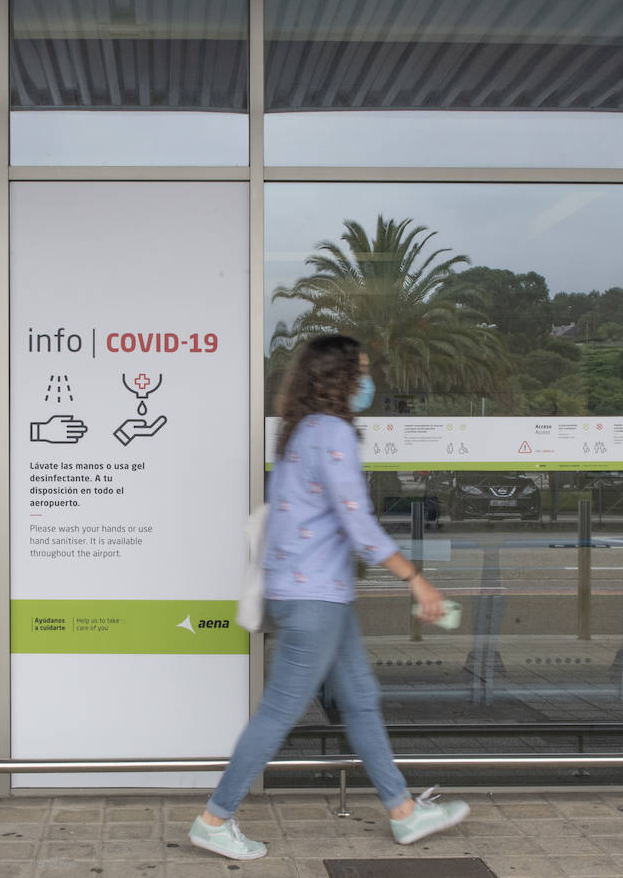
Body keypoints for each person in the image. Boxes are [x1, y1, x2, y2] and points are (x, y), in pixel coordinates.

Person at [189, 334, 470, 861]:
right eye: (360, 372)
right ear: (339, 378)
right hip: (315, 597)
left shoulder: (302, 432)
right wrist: (416, 578)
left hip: (322, 595)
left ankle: (404, 813)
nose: (368, 382)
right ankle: (213, 819)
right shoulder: (332, 433)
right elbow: (359, 525)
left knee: (360, 700)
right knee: (278, 711)